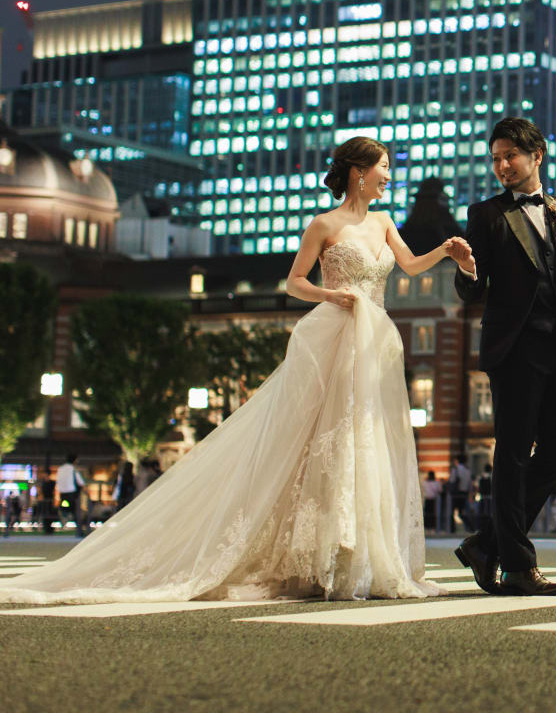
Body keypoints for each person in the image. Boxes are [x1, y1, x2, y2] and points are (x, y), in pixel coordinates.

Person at [0, 137, 475, 606]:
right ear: (359, 172)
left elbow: (410, 266)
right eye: (384, 167)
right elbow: (294, 282)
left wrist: (446, 251)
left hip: (375, 343)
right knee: (328, 440)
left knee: (367, 441)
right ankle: (324, 556)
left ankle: (364, 558)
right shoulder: (323, 225)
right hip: (334, 335)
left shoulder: (385, 221)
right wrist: (332, 295)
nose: (389, 176)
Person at [453, 117, 556, 597]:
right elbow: (471, 293)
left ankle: (486, 544)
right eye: (495, 158)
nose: (501, 166)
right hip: (513, 351)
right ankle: (517, 567)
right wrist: (465, 269)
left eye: (510, 156)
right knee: (514, 457)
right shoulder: (486, 214)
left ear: (536, 155)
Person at [56, 454, 86, 537]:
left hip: (62, 493)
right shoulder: (73, 469)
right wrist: (84, 488)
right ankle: (79, 530)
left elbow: (58, 480)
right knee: (76, 510)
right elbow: (80, 481)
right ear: (75, 460)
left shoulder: (60, 468)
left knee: (65, 507)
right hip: (71, 493)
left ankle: (64, 516)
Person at [448, 454, 473, 533]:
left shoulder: (455, 469)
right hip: (464, 493)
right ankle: (470, 527)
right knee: (462, 512)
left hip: (456, 493)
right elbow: (470, 484)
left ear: (457, 460)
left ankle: (452, 529)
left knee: (452, 512)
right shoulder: (468, 470)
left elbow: (452, 481)